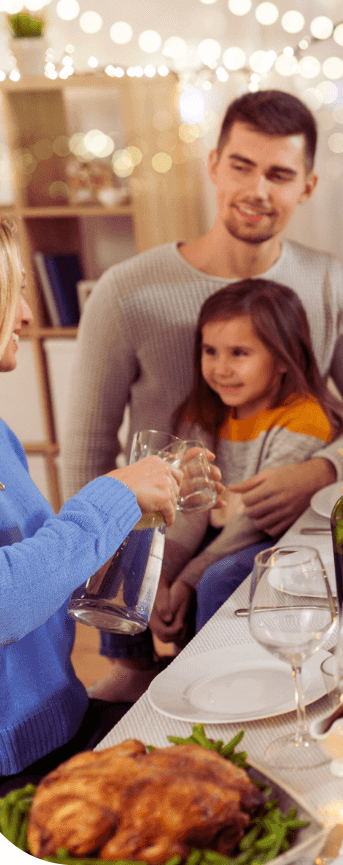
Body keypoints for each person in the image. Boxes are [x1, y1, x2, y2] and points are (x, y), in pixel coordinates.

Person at [62, 89, 343, 534]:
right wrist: (116, 568)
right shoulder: (125, 292)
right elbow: (87, 453)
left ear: (307, 187)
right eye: (241, 167)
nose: (256, 191)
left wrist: (322, 470)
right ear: (214, 166)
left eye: (279, 175)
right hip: (161, 550)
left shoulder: (328, 282)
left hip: (291, 540)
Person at [90, 279, 343, 702]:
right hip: (217, 528)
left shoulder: (304, 419)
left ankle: (215, 676)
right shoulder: (203, 413)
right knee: (126, 548)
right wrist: (165, 571)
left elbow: (251, 519)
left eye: (239, 354)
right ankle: (133, 665)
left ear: (283, 359)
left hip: (271, 536)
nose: (221, 368)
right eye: (211, 352)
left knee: (217, 579)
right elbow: (192, 506)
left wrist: (186, 580)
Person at [0, 218, 180, 794]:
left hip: (59, 722)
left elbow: (48, 570)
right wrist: (117, 494)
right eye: (14, 291)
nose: (26, 314)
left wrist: (141, 520)